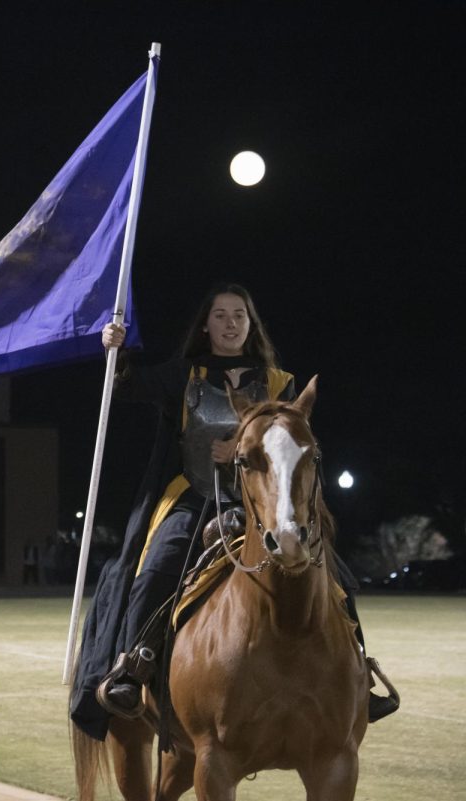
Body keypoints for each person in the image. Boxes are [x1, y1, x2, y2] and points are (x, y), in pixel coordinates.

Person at [70, 284, 396, 741]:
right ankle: (134, 664)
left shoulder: (280, 382)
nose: (229, 323)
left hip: (259, 501)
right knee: (157, 567)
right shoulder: (184, 374)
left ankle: (360, 675)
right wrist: (115, 353)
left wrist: (244, 448)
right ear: (206, 325)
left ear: (250, 323)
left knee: (336, 577)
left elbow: (288, 442)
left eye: (238, 315)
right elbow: (126, 388)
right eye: (220, 315)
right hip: (194, 492)